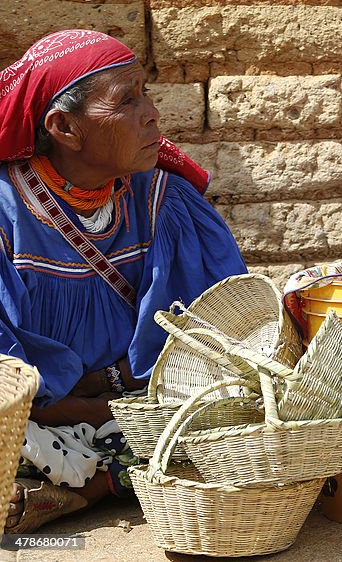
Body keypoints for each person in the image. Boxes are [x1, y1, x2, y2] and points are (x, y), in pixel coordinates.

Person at [0, 29, 247, 533]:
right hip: (35, 422)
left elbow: (216, 338)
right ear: (65, 128)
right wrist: (85, 405)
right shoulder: (7, 214)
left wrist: (113, 396)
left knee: (239, 425)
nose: (152, 113)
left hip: (142, 408)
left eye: (146, 92)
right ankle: (126, 476)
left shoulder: (164, 202)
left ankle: (89, 490)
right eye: (127, 100)